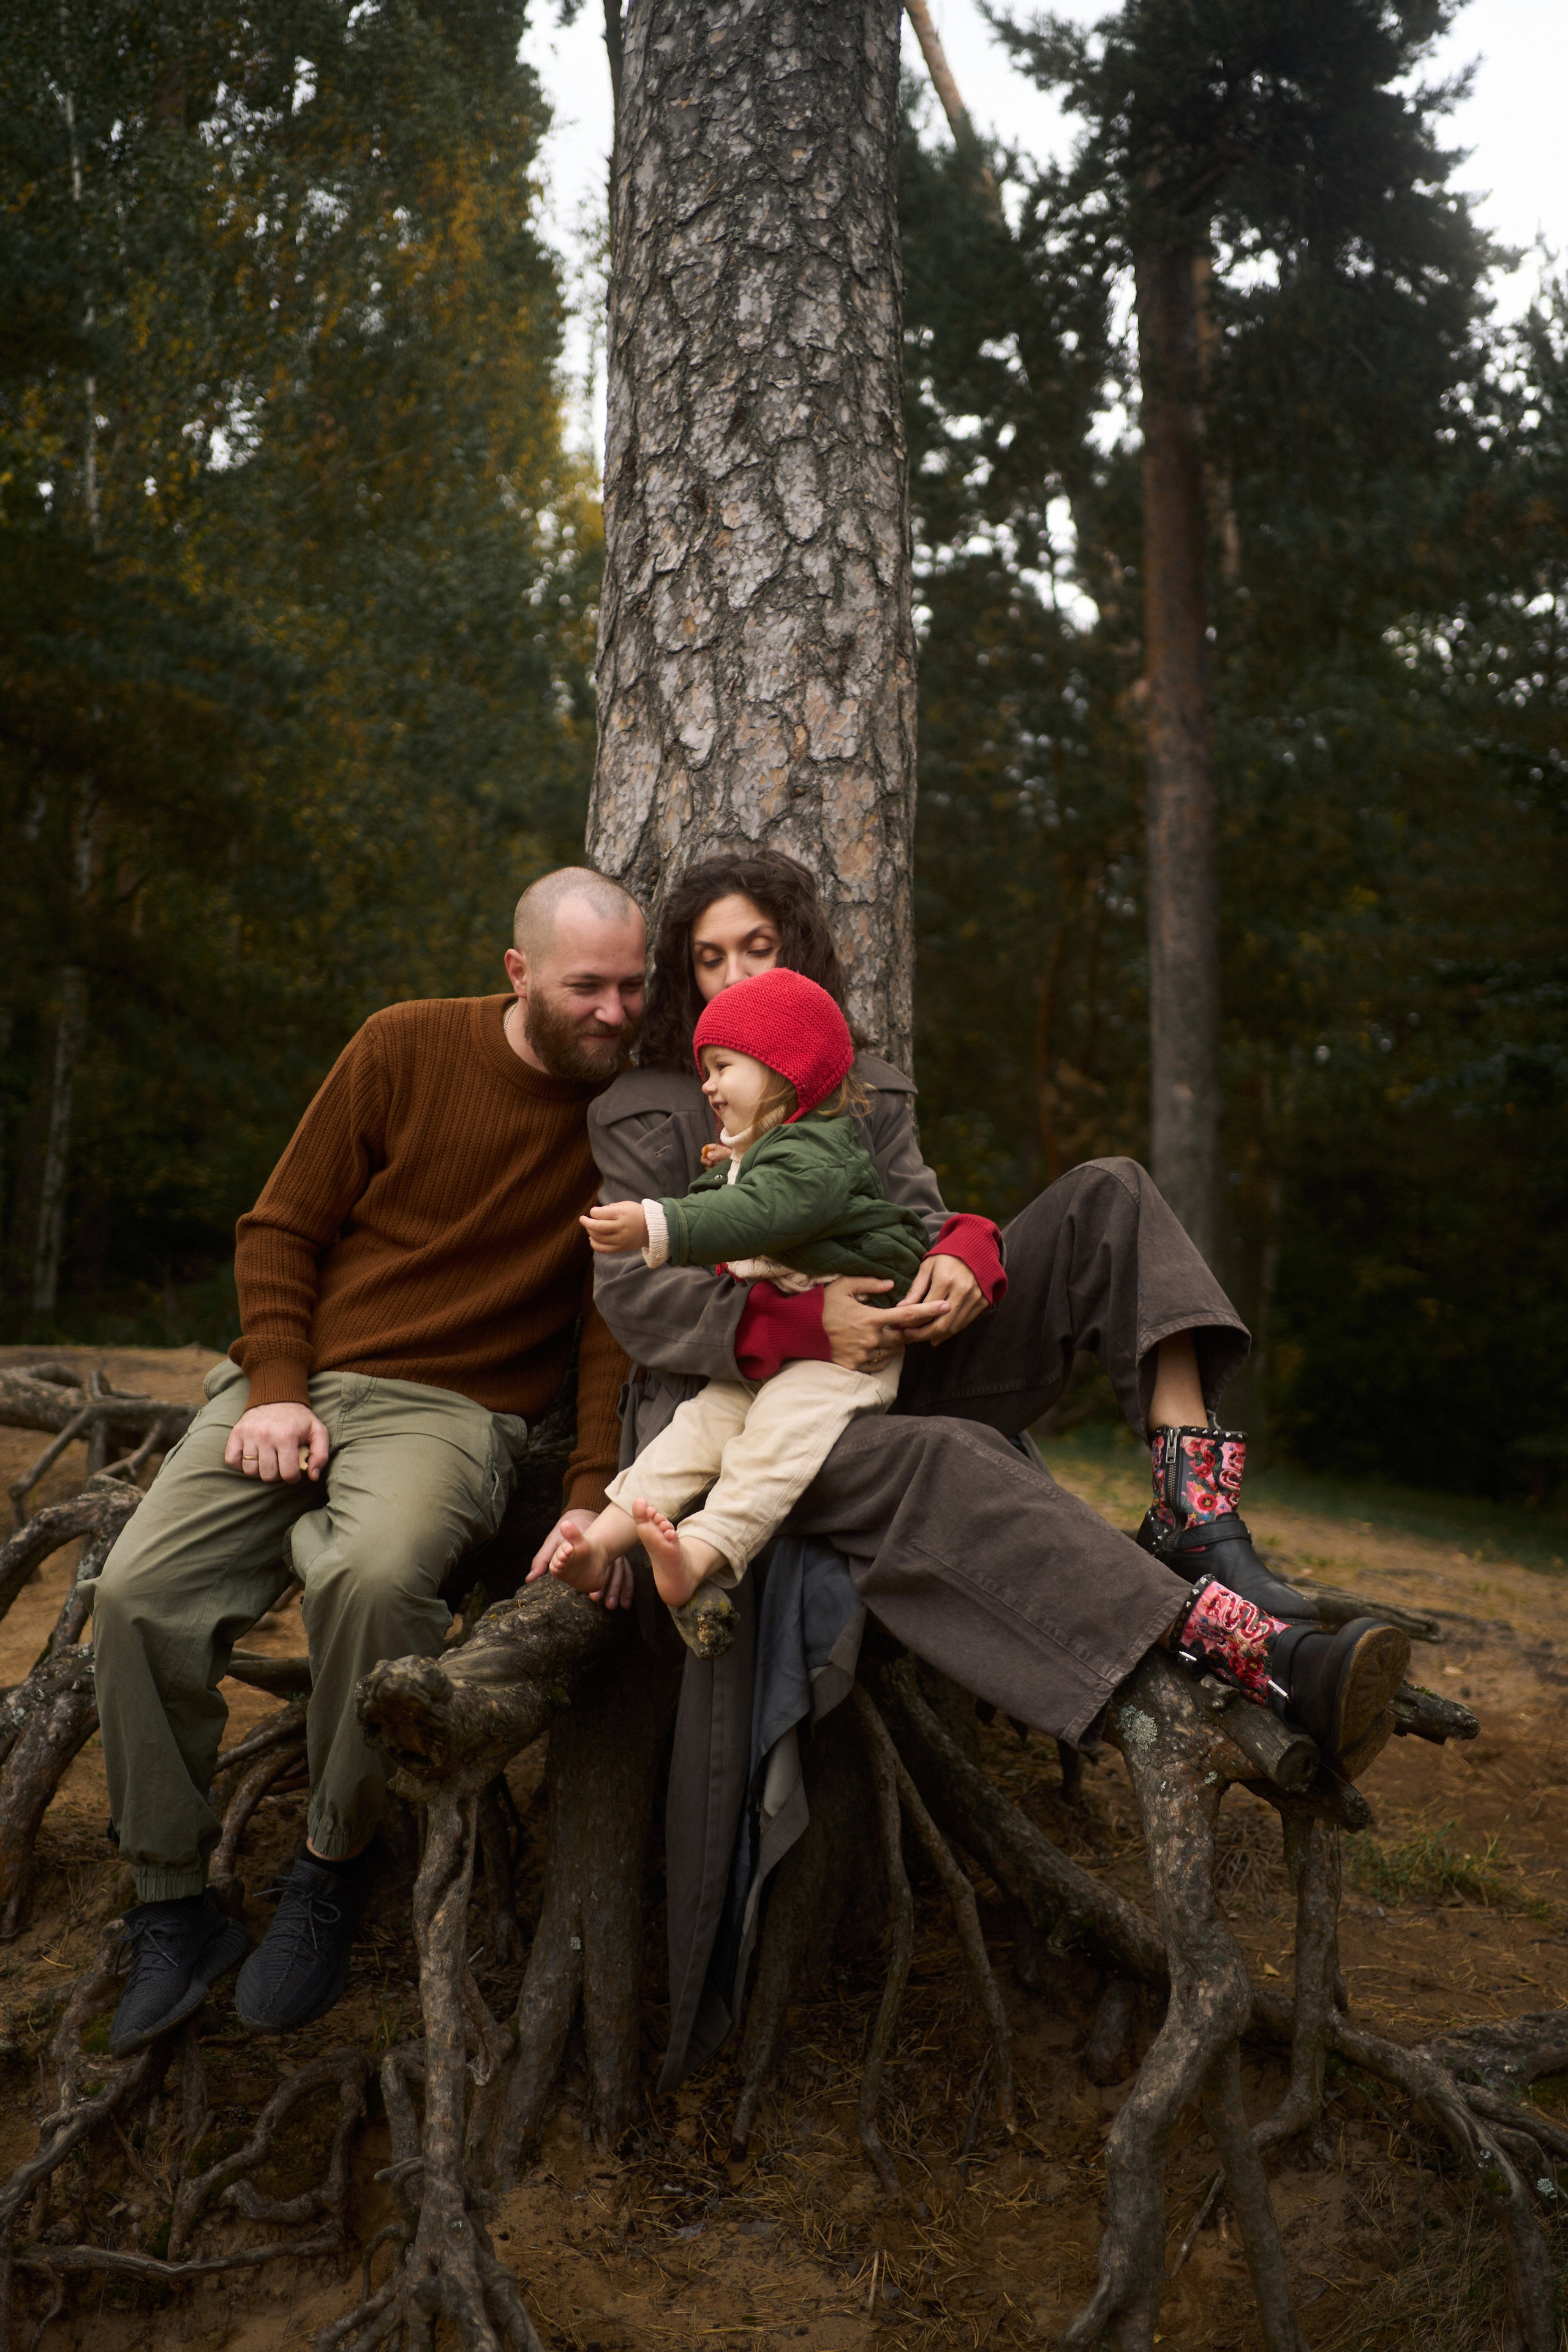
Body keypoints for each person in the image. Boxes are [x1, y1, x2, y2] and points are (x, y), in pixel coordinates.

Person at [527, 847, 1413, 2087]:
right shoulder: (652, 1109)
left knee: (1107, 1193)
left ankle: (1197, 1523)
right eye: (707, 959)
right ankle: (1256, 1655)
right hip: (744, 1408)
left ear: (800, 956)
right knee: (943, 1461)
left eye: (757, 949)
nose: (732, 976)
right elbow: (638, 1301)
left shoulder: (858, 1086)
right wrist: (802, 1327)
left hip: (893, 1358)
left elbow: (920, 1213)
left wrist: (970, 1259)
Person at [91, 869, 646, 2057]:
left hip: (452, 1413)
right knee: (137, 1594)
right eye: (585, 986)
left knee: (376, 1579)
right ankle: (173, 1905)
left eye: (632, 986)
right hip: (294, 1382)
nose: (613, 1010)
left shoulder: (631, 1123)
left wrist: (595, 1491)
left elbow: (614, 1333)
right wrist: (279, 1392)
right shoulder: (401, 1046)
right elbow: (281, 1226)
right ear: (519, 975)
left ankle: (330, 1864)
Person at [548, 966, 930, 1607]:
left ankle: (701, 1551)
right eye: (707, 1069)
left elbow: (754, 1217)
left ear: (784, 1069)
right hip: (782, 1349)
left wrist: (655, 1222)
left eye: (724, 1066)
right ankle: (604, 1542)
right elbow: (724, 1201)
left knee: (773, 1442)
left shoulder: (816, 1154)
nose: (709, 1085)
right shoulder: (754, 1152)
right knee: (689, 1433)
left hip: (845, 1357)